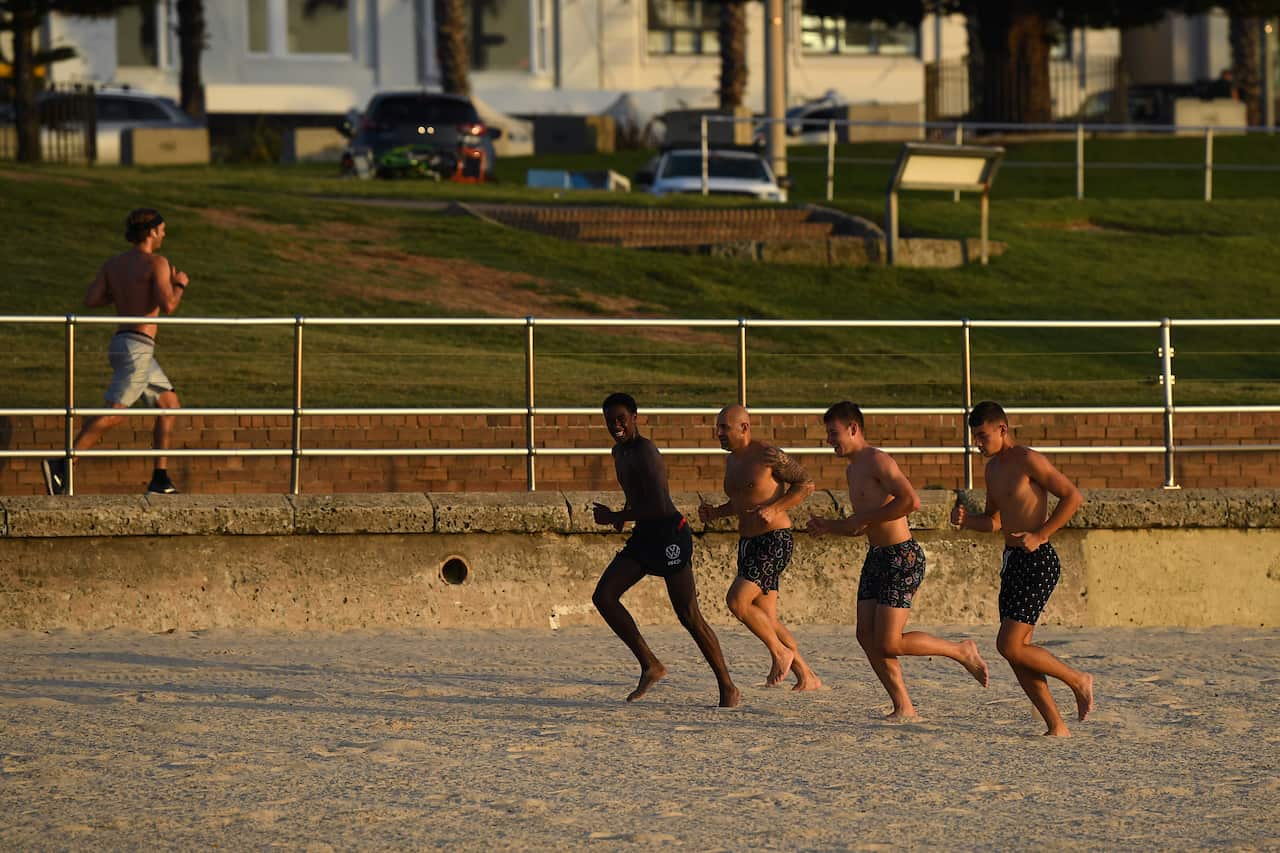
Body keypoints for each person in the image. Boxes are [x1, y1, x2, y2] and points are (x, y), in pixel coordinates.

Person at [806, 402, 988, 720]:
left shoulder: (878, 460)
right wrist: (829, 527)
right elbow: (859, 526)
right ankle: (903, 706)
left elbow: (910, 501)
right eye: (827, 434)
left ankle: (961, 650)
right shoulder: (852, 469)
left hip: (902, 556)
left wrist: (863, 517)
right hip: (876, 557)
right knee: (866, 635)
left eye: (833, 433)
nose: (829, 440)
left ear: (853, 429)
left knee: (889, 641)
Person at [950, 400, 1094, 737]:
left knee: (1009, 645)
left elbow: (1072, 497)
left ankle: (1078, 680)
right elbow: (994, 522)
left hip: (1038, 561)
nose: (978, 444)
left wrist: (1041, 534)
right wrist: (967, 520)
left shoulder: (1028, 459)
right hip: (1012, 561)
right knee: (1019, 653)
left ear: (1003, 429)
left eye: (983, 436)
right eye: (975, 438)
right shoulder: (992, 470)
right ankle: (1057, 726)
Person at [591, 392, 740, 708]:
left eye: (621, 419)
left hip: (669, 534)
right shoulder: (619, 453)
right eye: (610, 420)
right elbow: (639, 495)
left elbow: (659, 506)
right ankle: (650, 664)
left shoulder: (646, 451)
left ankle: (727, 686)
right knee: (603, 596)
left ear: (635, 418)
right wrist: (624, 512)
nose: (616, 425)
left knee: (688, 615)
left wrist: (616, 517)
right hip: (644, 535)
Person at [42, 208, 189, 496]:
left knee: (169, 405)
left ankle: (160, 478)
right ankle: (63, 464)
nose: (164, 235)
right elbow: (169, 305)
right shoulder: (157, 263)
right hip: (138, 349)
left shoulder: (114, 264)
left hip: (123, 344)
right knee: (115, 413)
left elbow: (92, 299)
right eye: (161, 230)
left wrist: (122, 293)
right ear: (150, 232)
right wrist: (179, 284)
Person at [698, 404, 821, 691]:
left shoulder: (768, 455)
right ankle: (807, 675)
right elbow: (743, 501)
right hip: (748, 543)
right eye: (717, 428)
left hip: (774, 539)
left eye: (724, 427)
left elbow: (807, 484)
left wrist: (775, 507)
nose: (718, 434)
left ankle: (781, 653)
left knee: (737, 601)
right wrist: (716, 513)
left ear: (744, 427)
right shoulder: (731, 462)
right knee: (767, 618)